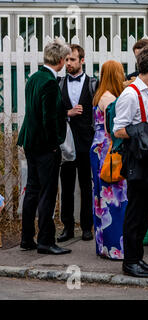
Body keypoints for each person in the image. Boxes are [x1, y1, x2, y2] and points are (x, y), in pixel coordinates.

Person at [114, 46, 148, 278]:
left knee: (146, 209)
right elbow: (118, 130)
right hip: (137, 159)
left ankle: (138, 258)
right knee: (135, 212)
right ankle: (130, 262)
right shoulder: (130, 94)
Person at [17, 39, 72, 255]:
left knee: (32, 190)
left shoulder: (34, 77)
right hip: (44, 146)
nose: (67, 62)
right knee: (47, 193)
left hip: (30, 141)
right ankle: (45, 241)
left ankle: (26, 238)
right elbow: (48, 118)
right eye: (66, 59)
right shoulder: (50, 82)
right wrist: (55, 144)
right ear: (60, 60)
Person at [57, 44, 97, 243]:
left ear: (82, 61)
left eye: (72, 59)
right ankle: (67, 227)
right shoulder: (58, 83)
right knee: (66, 186)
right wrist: (67, 113)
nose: (68, 63)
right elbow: (53, 112)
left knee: (85, 184)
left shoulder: (92, 84)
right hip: (65, 144)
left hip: (86, 141)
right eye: (67, 60)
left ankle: (87, 226)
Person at [90, 60, 127, 260]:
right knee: (115, 197)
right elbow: (114, 129)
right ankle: (116, 247)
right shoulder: (110, 98)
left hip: (97, 147)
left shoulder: (99, 96)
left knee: (100, 198)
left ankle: (103, 245)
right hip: (109, 149)